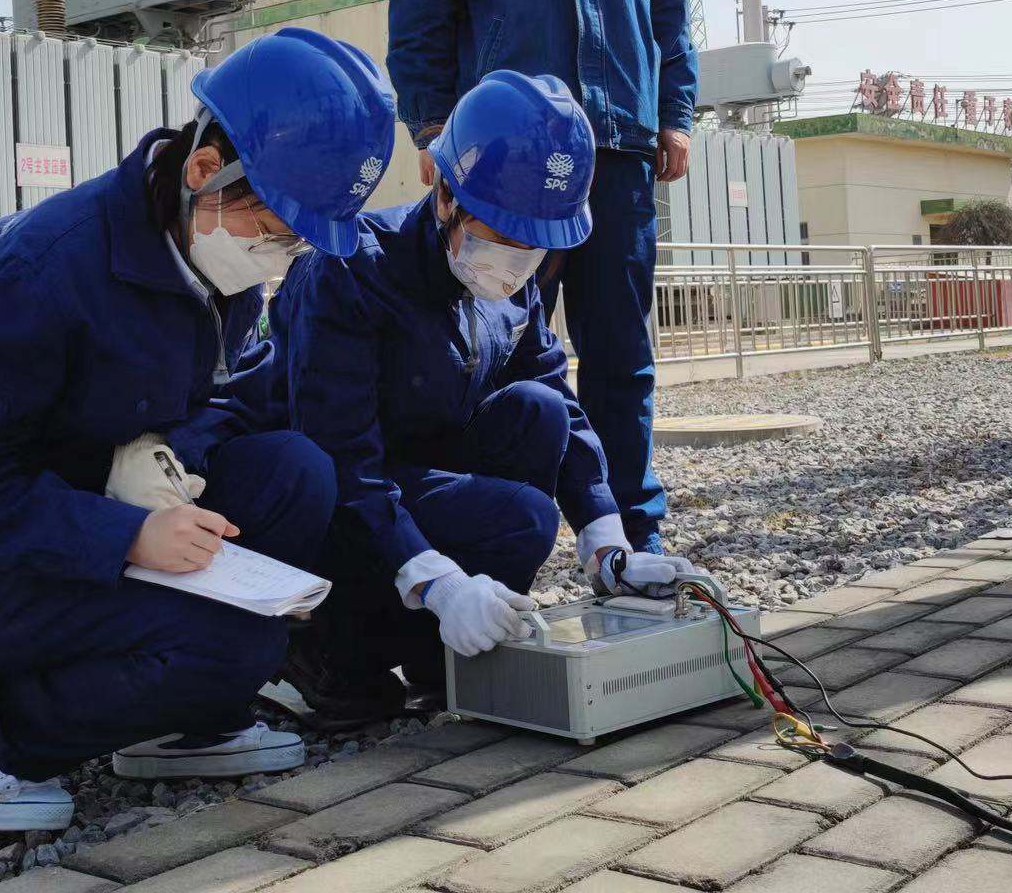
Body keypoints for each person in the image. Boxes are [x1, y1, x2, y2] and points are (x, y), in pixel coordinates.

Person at [0, 27, 396, 830]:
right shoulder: (45, 270)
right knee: (237, 651)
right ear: (206, 171)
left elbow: (231, 394)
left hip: (89, 503)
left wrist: (167, 452)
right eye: (279, 228)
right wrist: (124, 535)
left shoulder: (218, 258)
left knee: (294, 469)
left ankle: (176, 722)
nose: (281, 256)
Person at [241, 71, 699, 721]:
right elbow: (340, 459)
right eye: (504, 233)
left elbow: (552, 391)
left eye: (535, 243)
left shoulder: (513, 284)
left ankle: (442, 656)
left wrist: (607, 540)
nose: (517, 258)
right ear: (446, 192)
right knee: (520, 516)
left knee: (537, 415)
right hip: (339, 504)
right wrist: (434, 579)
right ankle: (320, 647)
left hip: (422, 482)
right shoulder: (348, 272)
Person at [386, 0, 698, 557]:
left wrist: (673, 112)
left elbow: (669, 9)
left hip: (619, 161)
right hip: (503, 171)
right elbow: (421, 16)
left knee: (621, 360)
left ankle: (633, 543)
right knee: (483, 353)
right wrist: (435, 131)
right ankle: (495, 536)